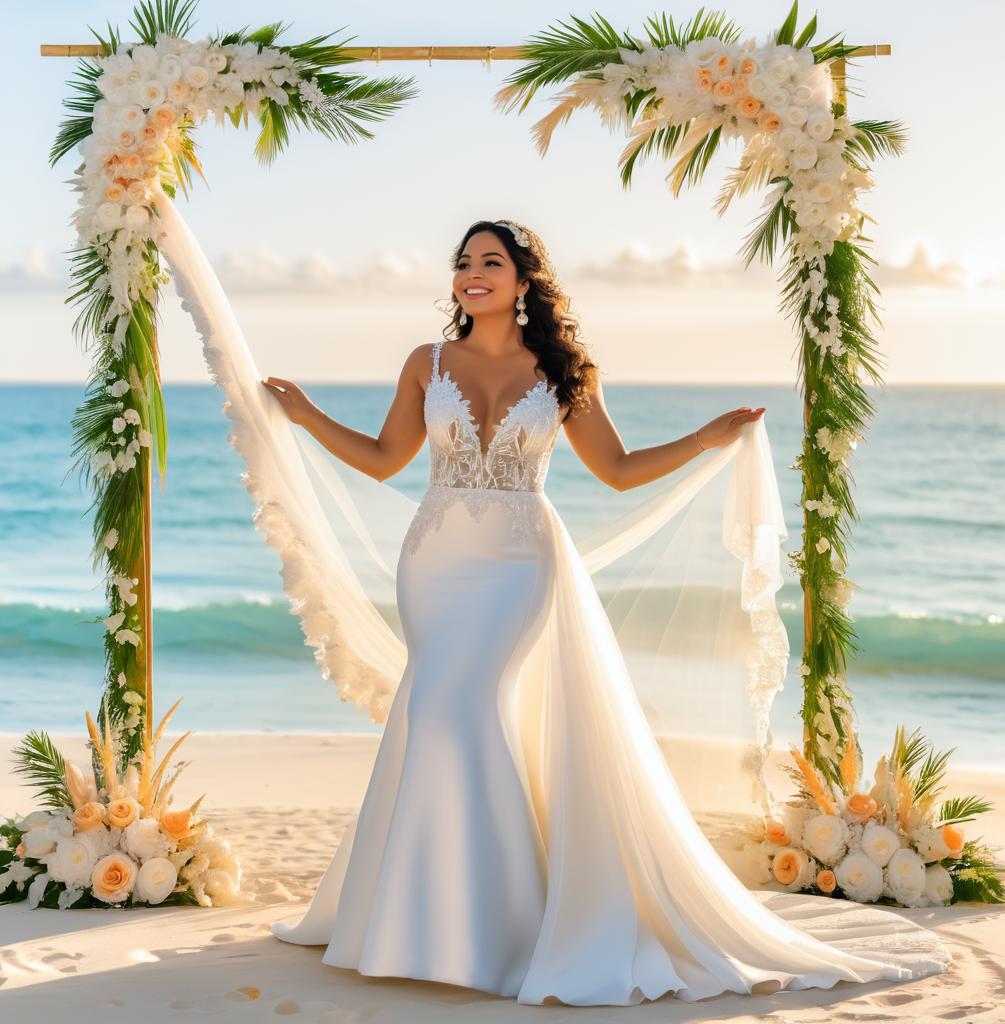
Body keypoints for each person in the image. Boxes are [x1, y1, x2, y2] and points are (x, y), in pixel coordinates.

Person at [255, 218, 952, 1006]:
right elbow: (386, 460)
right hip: (436, 563)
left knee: (466, 709)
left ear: (524, 281)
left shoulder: (563, 370)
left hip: (519, 564)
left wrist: (705, 437)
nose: (472, 274)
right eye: (463, 263)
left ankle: (500, 933)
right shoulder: (428, 362)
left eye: (491, 262)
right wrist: (308, 415)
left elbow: (616, 470)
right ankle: (419, 919)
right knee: (436, 710)